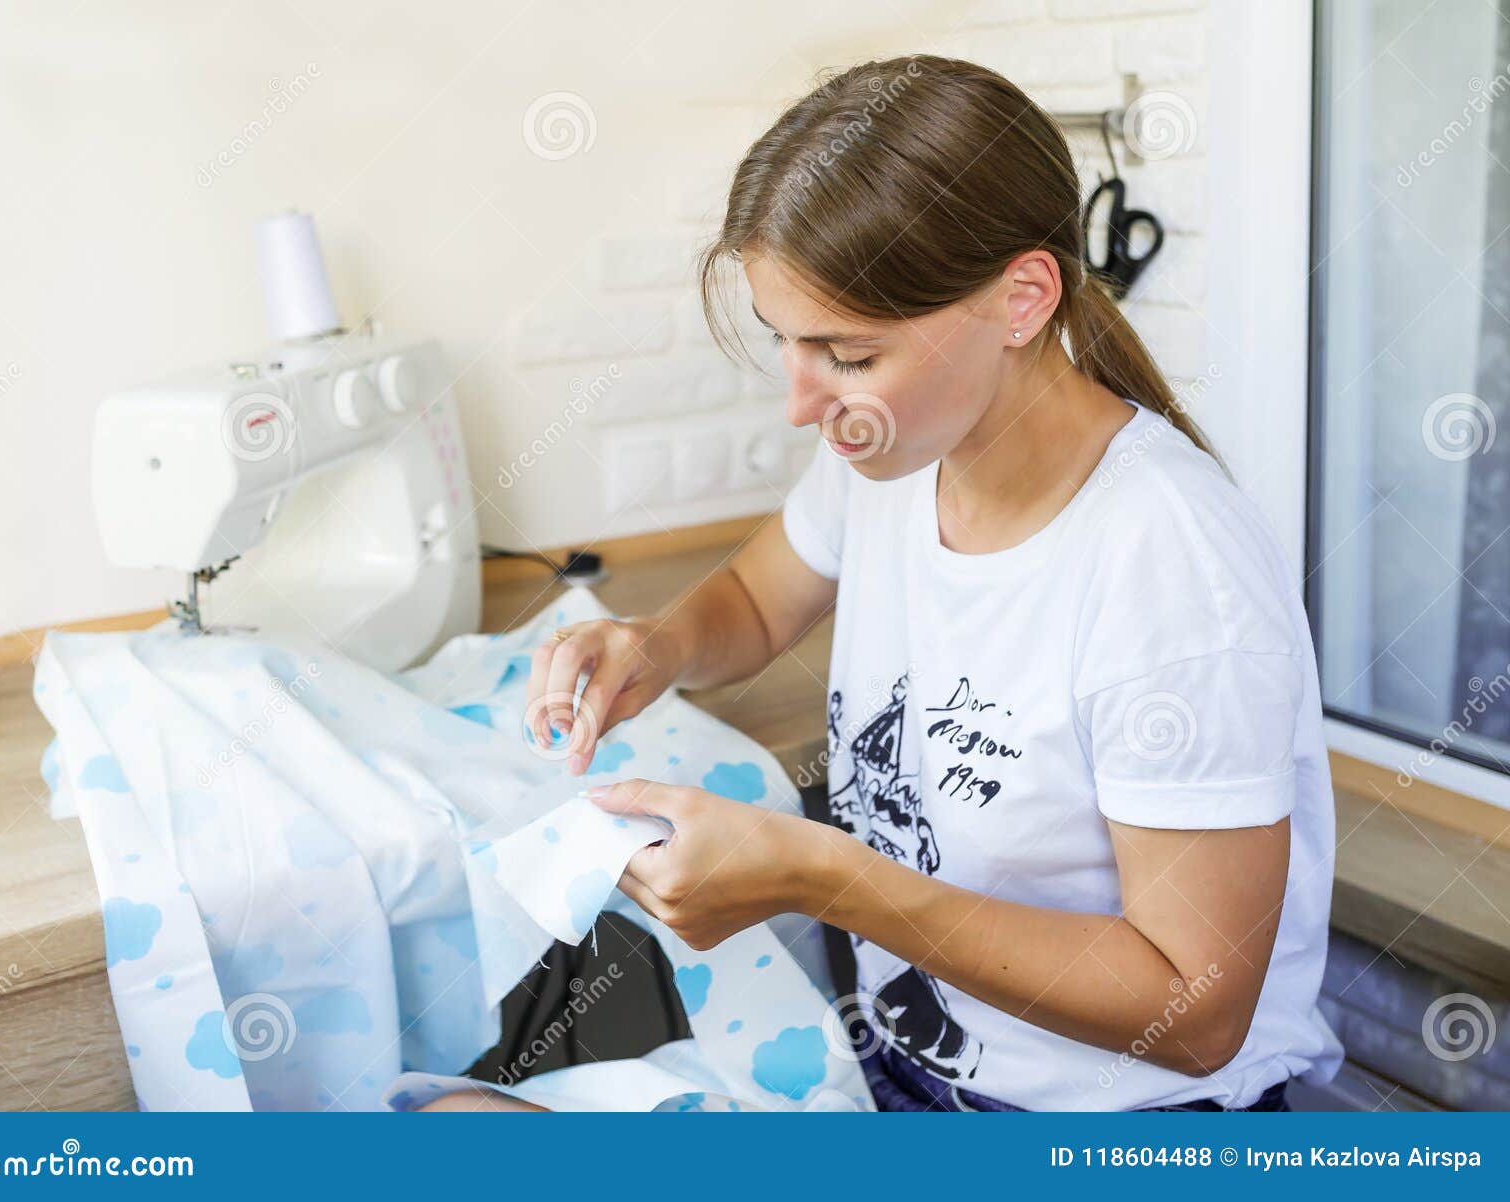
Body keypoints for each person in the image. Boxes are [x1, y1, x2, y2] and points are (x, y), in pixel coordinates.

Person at [428, 54, 1343, 1114]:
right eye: (785, 343)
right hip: (908, 1068)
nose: (801, 402)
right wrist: (657, 643)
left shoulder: (1169, 567)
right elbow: (763, 599)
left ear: (1022, 298)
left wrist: (819, 874)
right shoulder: (894, 452)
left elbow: (1193, 1011)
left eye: (848, 354)